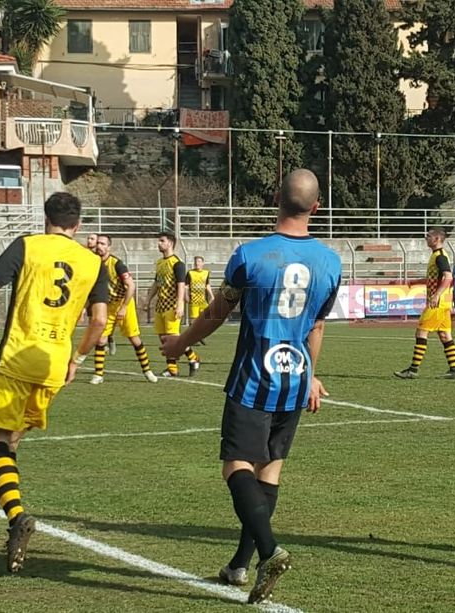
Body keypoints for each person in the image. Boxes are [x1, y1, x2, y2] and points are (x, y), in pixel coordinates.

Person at [162, 168, 341, 604]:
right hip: (295, 376)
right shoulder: (331, 262)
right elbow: (317, 326)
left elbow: (217, 312)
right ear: (316, 207)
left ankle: (269, 551)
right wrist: (311, 376)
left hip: (254, 378)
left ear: (276, 197)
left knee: (236, 465)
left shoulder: (249, 255)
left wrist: (180, 344)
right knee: (270, 470)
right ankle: (240, 565)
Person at [0, 192, 109, 573]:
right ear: (77, 225)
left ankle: (17, 517)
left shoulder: (28, 245)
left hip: (17, 357)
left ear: (45, 218)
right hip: (54, 364)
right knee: (9, 447)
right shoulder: (93, 261)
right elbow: (99, 320)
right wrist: (77, 359)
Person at [90, 235, 158, 384]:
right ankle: (98, 374)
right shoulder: (93, 263)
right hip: (108, 306)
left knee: (134, 339)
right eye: (98, 243)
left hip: (124, 304)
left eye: (103, 244)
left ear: (109, 247)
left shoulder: (117, 264)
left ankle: (147, 371)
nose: (99, 246)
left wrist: (124, 307)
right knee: (101, 339)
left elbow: (131, 286)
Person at [394, 228, 455, 380]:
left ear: (436, 239)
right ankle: (454, 370)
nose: (426, 238)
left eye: (429, 236)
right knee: (445, 335)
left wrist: (436, 295)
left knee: (421, 332)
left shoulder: (440, 256)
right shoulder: (438, 255)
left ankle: (413, 370)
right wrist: (416, 282)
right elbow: (436, 278)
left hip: (437, 303)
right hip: (444, 303)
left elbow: (448, 277)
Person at [146, 233, 200, 377]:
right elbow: (157, 283)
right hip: (160, 305)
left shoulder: (177, 263)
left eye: (162, 241)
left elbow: (181, 285)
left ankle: (192, 359)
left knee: (173, 339)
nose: (159, 243)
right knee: (163, 338)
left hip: (172, 306)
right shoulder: (159, 263)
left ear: (170, 243)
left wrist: (180, 303)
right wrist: (148, 299)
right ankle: (173, 368)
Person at [188, 256, 215, 346]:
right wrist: (185, 295)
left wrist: (211, 295)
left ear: (203, 263)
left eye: (199, 261)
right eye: (196, 262)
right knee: (193, 320)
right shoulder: (190, 273)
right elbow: (186, 286)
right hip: (194, 301)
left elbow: (207, 285)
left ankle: (199, 335)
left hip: (203, 301)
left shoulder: (206, 273)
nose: (197, 263)